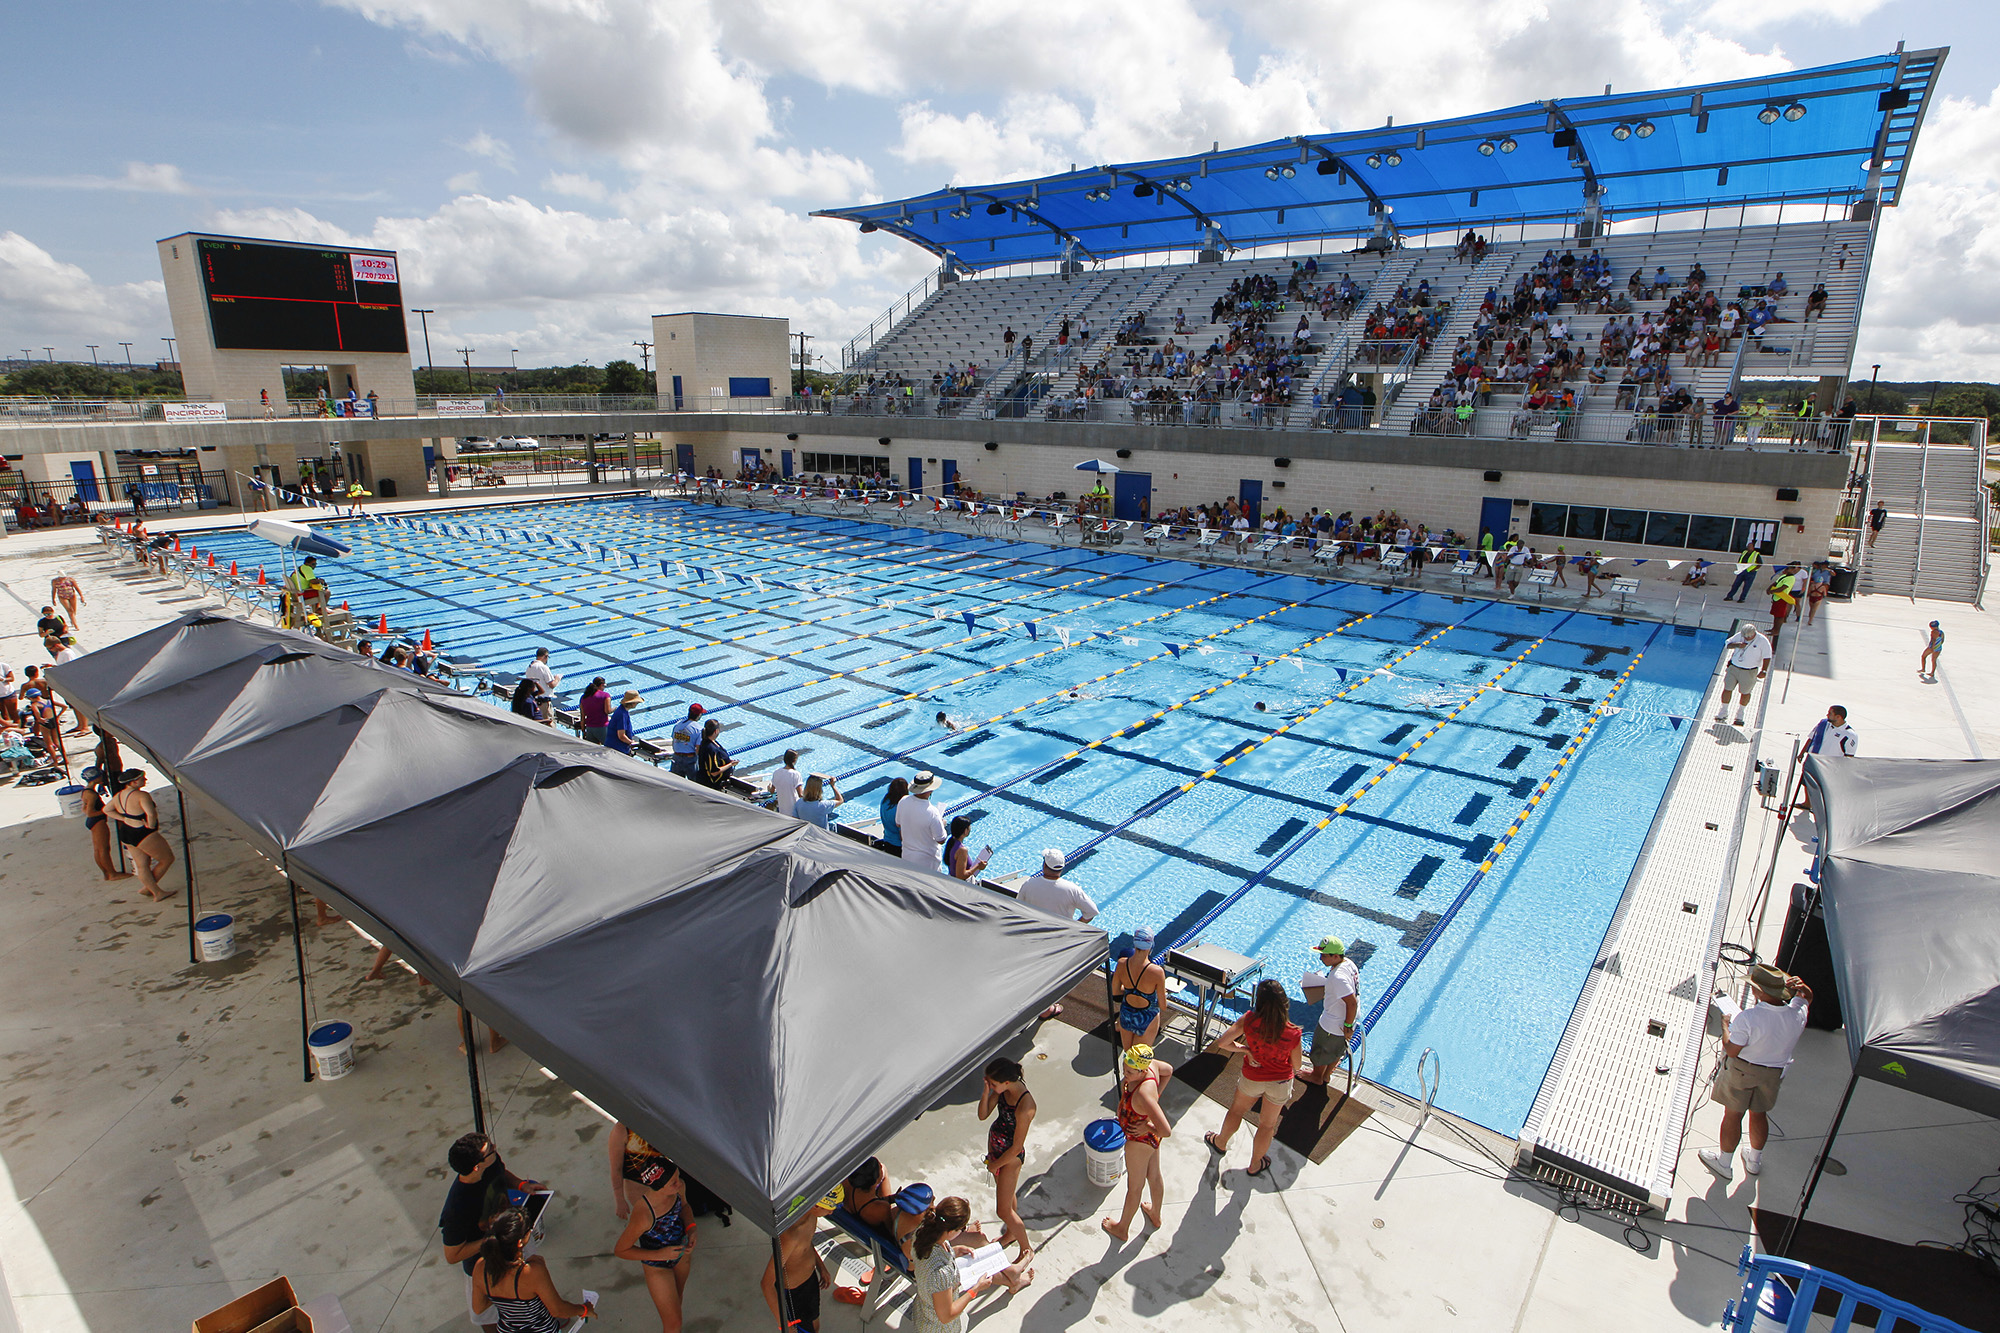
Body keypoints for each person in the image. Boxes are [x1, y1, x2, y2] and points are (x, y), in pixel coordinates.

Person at [1699, 965, 1813, 1181]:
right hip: (1773, 1074)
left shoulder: (1749, 1018)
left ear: (1758, 992)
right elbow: (1807, 997)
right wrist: (1803, 987)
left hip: (1742, 1071)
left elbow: (1731, 1050)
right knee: (1759, 1114)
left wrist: (1725, 1026)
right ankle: (1754, 1160)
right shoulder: (1797, 1013)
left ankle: (1724, 1163)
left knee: (1733, 1115)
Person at [439, 1132, 544, 1328]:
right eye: (490, 1151)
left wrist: (521, 1185)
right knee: (489, 1315)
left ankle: (540, 1319)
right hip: (486, 1264)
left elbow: (501, 1173)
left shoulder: (490, 1163)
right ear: (477, 1167)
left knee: (532, 1288)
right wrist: (493, 1238)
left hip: (514, 1241)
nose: (495, 1148)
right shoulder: (456, 1209)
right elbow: (452, 1255)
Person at [1204, 978, 1302, 1177]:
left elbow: (1223, 1043)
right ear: (1285, 1003)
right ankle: (1255, 1164)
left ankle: (1220, 1142)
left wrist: (1246, 1050)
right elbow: (1298, 1066)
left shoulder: (1249, 1020)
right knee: (1267, 1125)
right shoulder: (1293, 1033)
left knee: (1237, 1110)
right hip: (1280, 1082)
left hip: (1253, 1078)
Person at [612, 1133, 697, 1333]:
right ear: (658, 1187)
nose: (679, 1184)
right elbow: (621, 1250)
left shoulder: (679, 1187)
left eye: (677, 1177)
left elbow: (684, 1207)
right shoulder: (644, 1214)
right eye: (673, 1183)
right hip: (657, 1266)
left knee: (677, 1304)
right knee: (673, 1324)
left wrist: (691, 1228)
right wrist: (659, 1255)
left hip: (681, 1255)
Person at [468, 1208, 593, 1332]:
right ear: (520, 1242)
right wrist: (584, 1309)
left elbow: (478, 1308)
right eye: (529, 1231)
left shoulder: (481, 1267)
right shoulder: (532, 1272)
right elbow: (557, 1310)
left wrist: (501, 1292)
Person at [1101, 1044, 1173, 1241]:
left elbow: (1166, 1130)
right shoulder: (1153, 1067)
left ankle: (1122, 1228)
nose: (1125, 1074)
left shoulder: (1143, 1094)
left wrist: (1148, 1126)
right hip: (1150, 1139)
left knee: (1135, 1187)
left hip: (1138, 1140)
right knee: (1154, 1176)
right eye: (1124, 1068)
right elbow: (1169, 1071)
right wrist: (1156, 1098)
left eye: (1130, 1072)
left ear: (1142, 1071)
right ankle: (1155, 1215)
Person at [911, 1196, 1011, 1331]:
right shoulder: (941, 1273)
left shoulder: (921, 1232)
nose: (963, 1231)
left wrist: (955, 1251)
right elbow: (946, 1316)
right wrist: (975, 1289)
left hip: (923, 1311)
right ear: (951, 1231)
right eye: (962, 1229)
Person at [978, 1057, 1036, 1268]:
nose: (992, 1088)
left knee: (1003, 1210)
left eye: (993, 1084)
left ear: (1007, 1082)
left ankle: (1026, 1248)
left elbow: (1016, 1147)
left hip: (1009, 1159)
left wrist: (995, 1164)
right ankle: (1011, 1234)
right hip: (996, 1150)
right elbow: (983, 1115)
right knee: (1008, 1194)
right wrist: (987, 1092)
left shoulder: (1025, 1106)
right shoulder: (1002, 1091)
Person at [762, 1184, 837, 1332]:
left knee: (814, 1322)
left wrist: (821, 1267)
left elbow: (806, 1244)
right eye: (828, 1208)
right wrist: (784, 1325)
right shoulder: (790, 1235)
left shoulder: (810, 1217)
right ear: (815, 1205)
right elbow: (766, 1284)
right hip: (793, 1293)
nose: (831, 1212)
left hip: (810, 1281)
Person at [1299, 936, 1359, 1085]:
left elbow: (1351, 1002)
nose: (1320, 958)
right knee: (1337, 1050)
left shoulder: (1338, 977)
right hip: (1346, 1020)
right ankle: (1325, 1076)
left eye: (1324, 955)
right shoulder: (1349, 964)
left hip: (1333, 1023)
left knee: (1320, 1051)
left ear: (1336, 956)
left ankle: (1316, 1077)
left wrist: (1348, 1026)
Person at [1111, 928, 1167, 1051]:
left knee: (1128, 1056)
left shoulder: (1121, 963)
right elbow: (1163, 1006)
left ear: (1134, 943)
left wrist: (1131, 994)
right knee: (1139, 1061)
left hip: (1127, 1014)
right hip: (1147, 1017)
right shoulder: (1157, 972)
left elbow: (1115, 993)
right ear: (1151, 945)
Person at [78, 766, 132, 885]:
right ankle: (112, 873)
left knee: (98, 849)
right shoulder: (92, 794)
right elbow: (90, 812)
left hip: (93, 822)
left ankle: (106, 873)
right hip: (98, 822)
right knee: (104, 849)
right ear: (95, 778)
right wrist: (106, 810)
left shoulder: (86, 791)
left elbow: (84, 809)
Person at [1715, 624, 1772, 727]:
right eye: (1745, 636)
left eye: (1749, 637)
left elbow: (1767, 656)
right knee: (1727, 688)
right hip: (1734, 668)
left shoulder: (1762, 641)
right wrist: (1737, 645)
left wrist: (1764, 670)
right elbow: (1727, 644)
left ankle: (1740, 713)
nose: (1746, 638)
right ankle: (1723, 710)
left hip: (1749, 671)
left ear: (1754, 633)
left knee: (1745, 692)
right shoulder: (1739, 636)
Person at [895, 771, 947, 870]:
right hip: (928, 862)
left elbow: (898, 824)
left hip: (907, 856)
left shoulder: (903, 801)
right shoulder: (932, 812)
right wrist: (942, 824)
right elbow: (941, 839)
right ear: (930, 790)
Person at [942, 814, 989, 880]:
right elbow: (961, 876)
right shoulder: (962, 850)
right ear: (965, 831)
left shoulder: (951, 842)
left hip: (951, 880)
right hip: (960, 886)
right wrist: (978, 866)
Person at [523, 648, 561, 725]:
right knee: (550, 726)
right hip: (544, 703)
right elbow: (551, 684)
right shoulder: (543, 667)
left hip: (534, 702)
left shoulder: (530, 667)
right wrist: (557, 679)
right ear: (545, 656)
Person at [696, 718, 735, 789]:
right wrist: (731, 764)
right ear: (716, 731)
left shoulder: (711, 742)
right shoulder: (710, 748)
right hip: (711, 784)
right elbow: (714, 772)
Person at [1768, 561, 1802, 636]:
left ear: (1792, 569)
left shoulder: (1791, 578)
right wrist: (1769, 588)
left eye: (1787, 569)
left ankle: (1777, 631)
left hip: (1782, 598)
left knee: (1780, 616)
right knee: (1775, 615)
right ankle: (1774, 628)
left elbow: (1783, 588)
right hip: (1776, 597)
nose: (1785, 570)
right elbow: (1775, 583)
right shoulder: (1784, 576)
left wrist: (1772, 591)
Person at [669, 704, 704, 778]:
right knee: (693, 785)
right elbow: (697, 748)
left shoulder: (678, 724)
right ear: (699, 715)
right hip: (690, 759)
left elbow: (673, 740)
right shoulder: (699, 729)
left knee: (674, 783)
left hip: (676, 757)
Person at [876, 776, 908, 854]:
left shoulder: (885, 800)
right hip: (898, 846)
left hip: (887, 840)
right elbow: (903, 836)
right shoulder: (900, 808)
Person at [767, 750, 803, 815]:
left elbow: (772, 791)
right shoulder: (796, 774)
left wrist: (769, 788)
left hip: (782, 811)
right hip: (795, 811)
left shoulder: (777, 772)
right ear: (794, 760)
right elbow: (800, 795)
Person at [606, 690, 642, 755]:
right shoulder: (622, 714)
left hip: (615, 747)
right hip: (617, 749)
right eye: (636, 702)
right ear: (632, 702)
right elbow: (621, 736)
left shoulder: (623, 710)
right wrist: (631, 742)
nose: (637, 703)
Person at [578, 677, 611, 744]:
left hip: (590, 728)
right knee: (610, 749)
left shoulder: (584, 696)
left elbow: (582, 715)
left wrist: (583, 728)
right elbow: (607, 711)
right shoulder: (605, 695)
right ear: (601, 685)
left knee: (592, 751)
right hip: (602, 727)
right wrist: (615, 709)